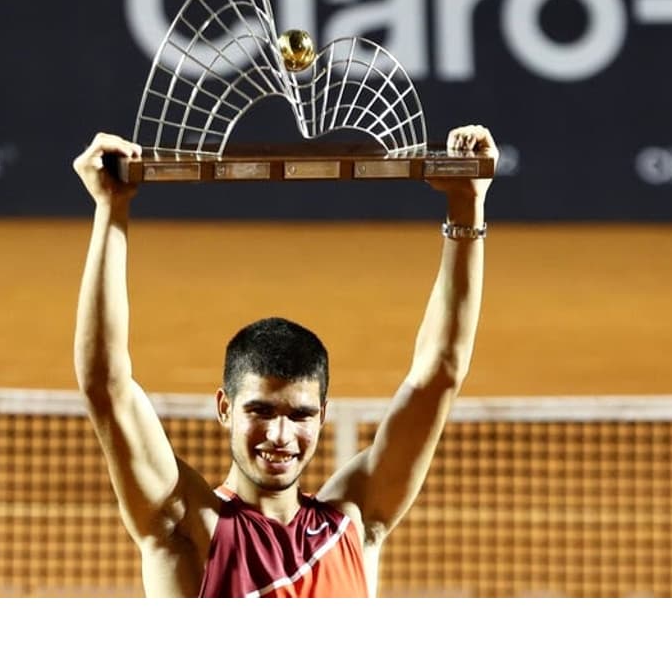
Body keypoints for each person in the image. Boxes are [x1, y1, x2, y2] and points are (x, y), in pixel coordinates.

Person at [72, 125, 498, 598]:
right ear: (225, 408)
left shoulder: (352, 524)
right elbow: (105, 386)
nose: (280, 436)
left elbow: (437, 376)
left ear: (323, 417)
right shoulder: (188, 529)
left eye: (300, 415)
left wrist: (467, 204)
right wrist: (111, 209)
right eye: (260, 410)